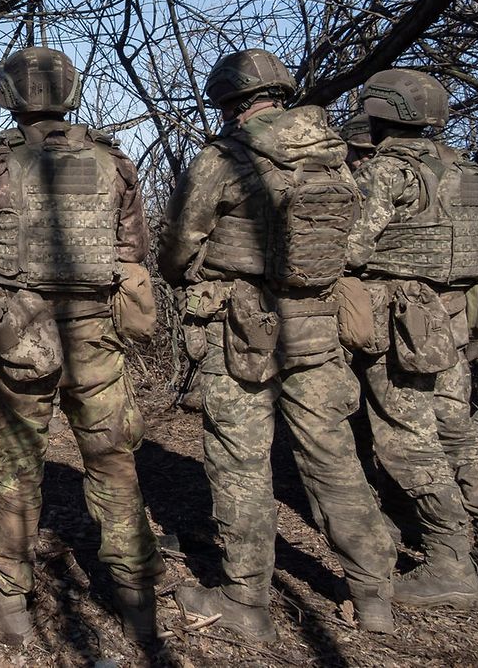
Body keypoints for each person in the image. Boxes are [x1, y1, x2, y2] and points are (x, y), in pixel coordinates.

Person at [159, 49, 396, 640]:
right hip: (316, 327)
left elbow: (180, 246)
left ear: (228, 102)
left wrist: (195, 274)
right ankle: (373, 594)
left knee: (240, 463)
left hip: (244, 330)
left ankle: (246, 601)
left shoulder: (224, 158)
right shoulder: (335, 157)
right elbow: (351, 241)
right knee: (334, 458)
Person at [0, 47, 166, 649]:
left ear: (9, 96)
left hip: (21, 330)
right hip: (97, 333)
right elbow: (133, 250)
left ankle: (8, 600)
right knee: (114, 456)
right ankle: (137, 598)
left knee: (16, 466)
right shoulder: (113, 162)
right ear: (70, 93)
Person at [346, 68, 478, 607]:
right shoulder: (466, 170)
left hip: (403, 322)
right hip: (454, 321)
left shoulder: (387, 172)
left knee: (407, 439)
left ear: (380, 111)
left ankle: (447, 561)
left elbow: (352, 247)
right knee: (460, 434)